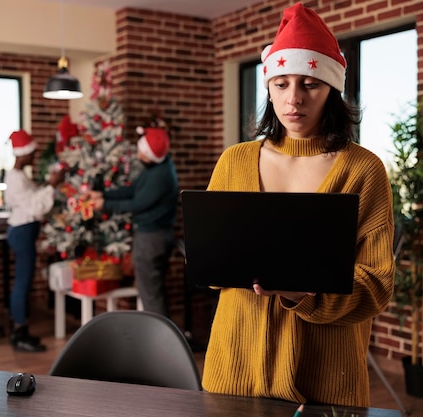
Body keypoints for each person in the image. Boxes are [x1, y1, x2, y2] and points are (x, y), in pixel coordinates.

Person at [201, 3, 395, 408]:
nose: (294, 99)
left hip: (325, 375)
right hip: (236, 369)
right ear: (268, 88)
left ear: (332, 89)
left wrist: (303, 292)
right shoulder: (234, 162)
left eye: (310, 84)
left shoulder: (364, 170)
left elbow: (376, 287)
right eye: (281, 84)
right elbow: (212, 269)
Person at [87, 127, 179, 317]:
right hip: (151, 236)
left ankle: (158, 342)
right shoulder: (155, 167)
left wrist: (105, 204)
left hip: (152, 239)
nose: (137, 154)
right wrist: (102, 194)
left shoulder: (161, 176)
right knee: (151, 291)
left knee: (150, 294)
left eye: (140, 151)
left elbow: (137, 203)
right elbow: (132, 190)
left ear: (149, 155)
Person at [5, 129, 64, 352]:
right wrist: (52, 185)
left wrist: (48, 184)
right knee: (22, 282)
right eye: (32, 153)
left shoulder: (19, 177)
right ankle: (20, 331)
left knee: (23, 281)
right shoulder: (16, 179)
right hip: (22, 233)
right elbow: (34, 206)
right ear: (23, 154)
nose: (34, 156)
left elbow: (32, 198)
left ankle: (20, 328)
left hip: (23, 232)